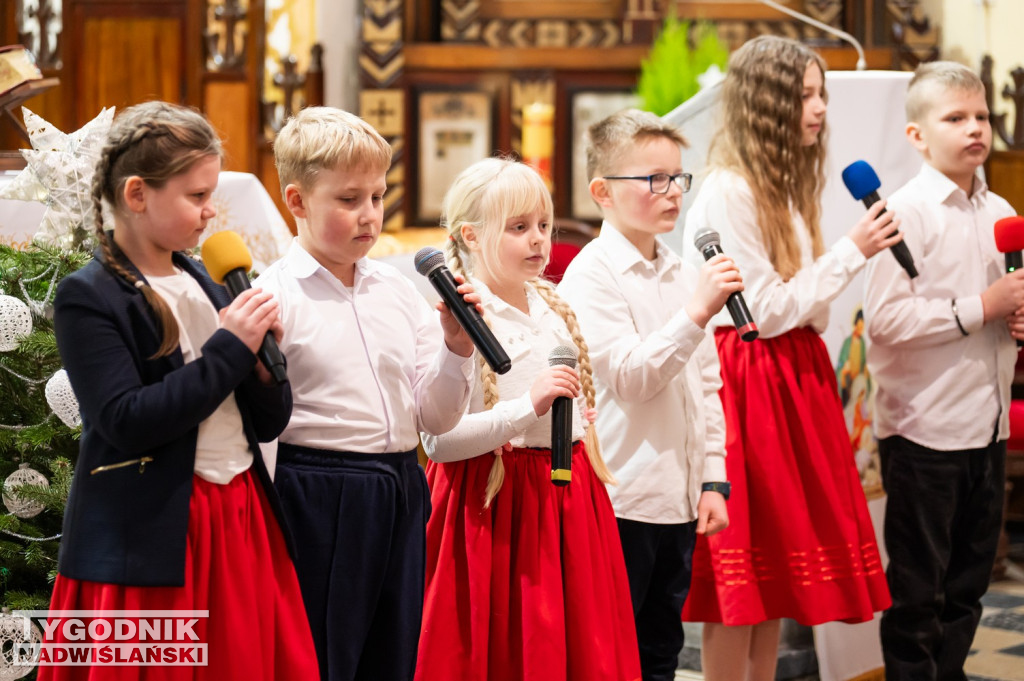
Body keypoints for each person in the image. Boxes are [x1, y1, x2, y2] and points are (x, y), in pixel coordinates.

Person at [43, 101, 318, 680]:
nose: (210, 211)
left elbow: (264, 423)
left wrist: (264, 372)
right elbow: (125, 420)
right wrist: (229, 349)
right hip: (154, 530)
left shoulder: (204, 278)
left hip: (239, 516)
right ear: (138, 194)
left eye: (211, 193)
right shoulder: (88, 295)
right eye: (196, 196)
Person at [679, 35, 894, 681]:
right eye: (804, 94)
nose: (820, 107)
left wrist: (828, 272)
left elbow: (801, 306)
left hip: (790, 375)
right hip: (748, 379)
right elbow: (763, 312)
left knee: (776, 580)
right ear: (765, 103)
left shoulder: (781, 184)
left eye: (821, 92)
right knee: (739, 586)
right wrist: (852, 250)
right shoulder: (729, 190)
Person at [252, 106, 477, 681]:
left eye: (377, 197)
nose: (369, 216)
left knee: (396, 652)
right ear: (297, 202)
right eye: (348, 200)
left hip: (402, 483)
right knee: (325, 654)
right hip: (318, 488)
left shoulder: (398, 291)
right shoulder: (275, 295)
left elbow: (436, 417)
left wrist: (457, 348)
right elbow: (260, 421)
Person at [415, 157, 641, 681]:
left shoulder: (551, 306)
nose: (539, 240)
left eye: (544, 226)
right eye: (519, 228)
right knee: (505, 649)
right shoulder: (456, 320)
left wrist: (578, 418)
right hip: (494, 501)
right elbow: (439, 441)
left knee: (577, 647)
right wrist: (527, 408)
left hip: (566, 492)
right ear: (470, 235)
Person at [557, 108, 739, 681]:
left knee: (662, 648)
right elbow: (633, 378)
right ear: (602, 192)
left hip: (679, 495)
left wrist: (713, 478)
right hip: (623, 497)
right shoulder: (591, 276)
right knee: (613, 653)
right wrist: (697, 312)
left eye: (678, 178)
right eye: (653, 179)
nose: (672, 192)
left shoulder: (685, 270)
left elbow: (705, 385)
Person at [863, 60, 1024, 681]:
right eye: (955, 118)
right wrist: (981, 308)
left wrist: (1013, 319)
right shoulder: (903, 213)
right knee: (917, 595)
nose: (975, 129)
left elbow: (1008, 302)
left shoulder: (1002, 208)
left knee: (967, 589)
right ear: (917, 135)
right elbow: (885, 321)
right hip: (924, 430)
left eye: (981, 116)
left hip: (989, 423)